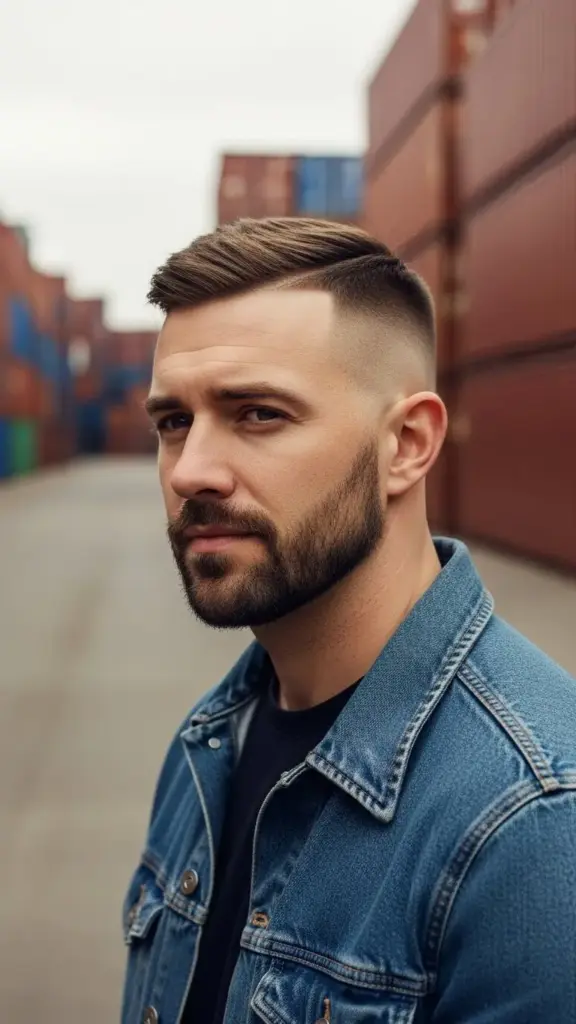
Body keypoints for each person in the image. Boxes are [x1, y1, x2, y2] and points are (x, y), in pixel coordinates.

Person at [121, 217, 576, 1024]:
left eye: (258, 414)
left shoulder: (533, 821)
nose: (190, 470)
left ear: (406, 443)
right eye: (173, 422)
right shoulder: (210, 744)